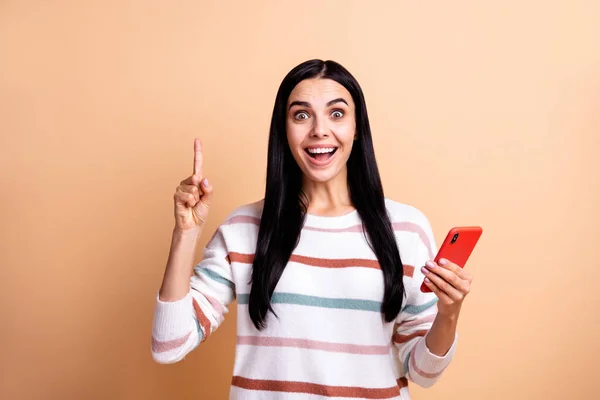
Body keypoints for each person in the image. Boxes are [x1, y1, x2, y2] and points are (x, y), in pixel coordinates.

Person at [151, 59, 473, 399]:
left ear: (357, 127)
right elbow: (168, 344)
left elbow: (424, 372)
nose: (319, 130)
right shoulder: (243, 229)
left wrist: (449, 313)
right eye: (301, 115)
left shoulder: (406, 229)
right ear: (283, 130)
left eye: (336, 114)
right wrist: (185, 233)